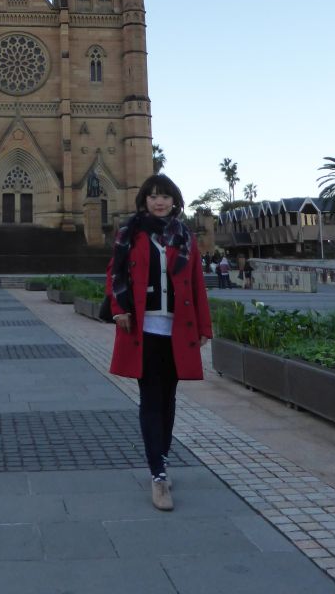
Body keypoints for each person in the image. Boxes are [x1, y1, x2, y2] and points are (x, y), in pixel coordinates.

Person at [106, 174, 211, 512]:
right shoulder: (131, 234)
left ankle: (161, 458)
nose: (158, 201)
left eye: (164, 195)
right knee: (150, 400)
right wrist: (120, 309)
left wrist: (204, 327)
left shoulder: (184, 237)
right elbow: (115, 274)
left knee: (168, 401)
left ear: (174, 200)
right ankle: (158, 475)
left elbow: (196, 284)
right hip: (144, 331)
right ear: (143, 201)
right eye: (152, 196)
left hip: (177, 331)